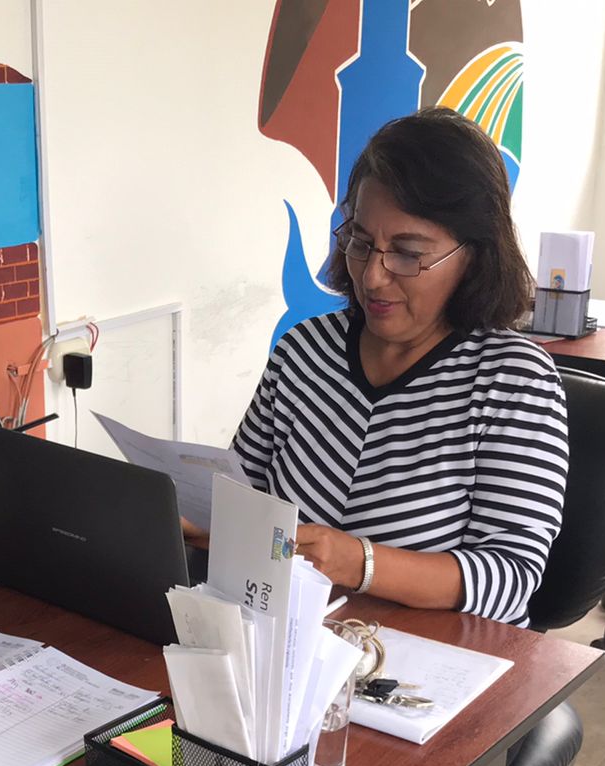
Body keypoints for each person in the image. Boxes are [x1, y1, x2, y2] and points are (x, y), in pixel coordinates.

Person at [229, 107, 570, 626]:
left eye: (408, 254)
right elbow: (243, 491)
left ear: (475, 255)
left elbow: (511, 577)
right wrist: (199, 517)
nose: (372, 276)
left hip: (433, 655)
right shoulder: (305, 351)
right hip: (288, 638)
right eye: (361, 242)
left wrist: (359, 563)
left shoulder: (512, 382)